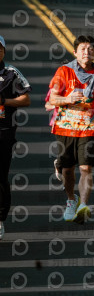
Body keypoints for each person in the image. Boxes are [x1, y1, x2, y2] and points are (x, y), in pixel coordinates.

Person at [48, 35, 94, 224]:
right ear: (75, 53)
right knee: (68, 170)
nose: (87, 52)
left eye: (91, 49)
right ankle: (71, 200)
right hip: (65, 127)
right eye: (83, 49)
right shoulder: (64, 71)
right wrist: (68, 99)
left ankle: (83, 205)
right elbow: (52, 99)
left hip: (88, 126)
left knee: (86, 167)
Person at [0, 35, 32, 240]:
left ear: (3, 51)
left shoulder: (11, 73)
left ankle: (0, 219)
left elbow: (26, 99)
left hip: (3, 132)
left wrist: (4, 101)